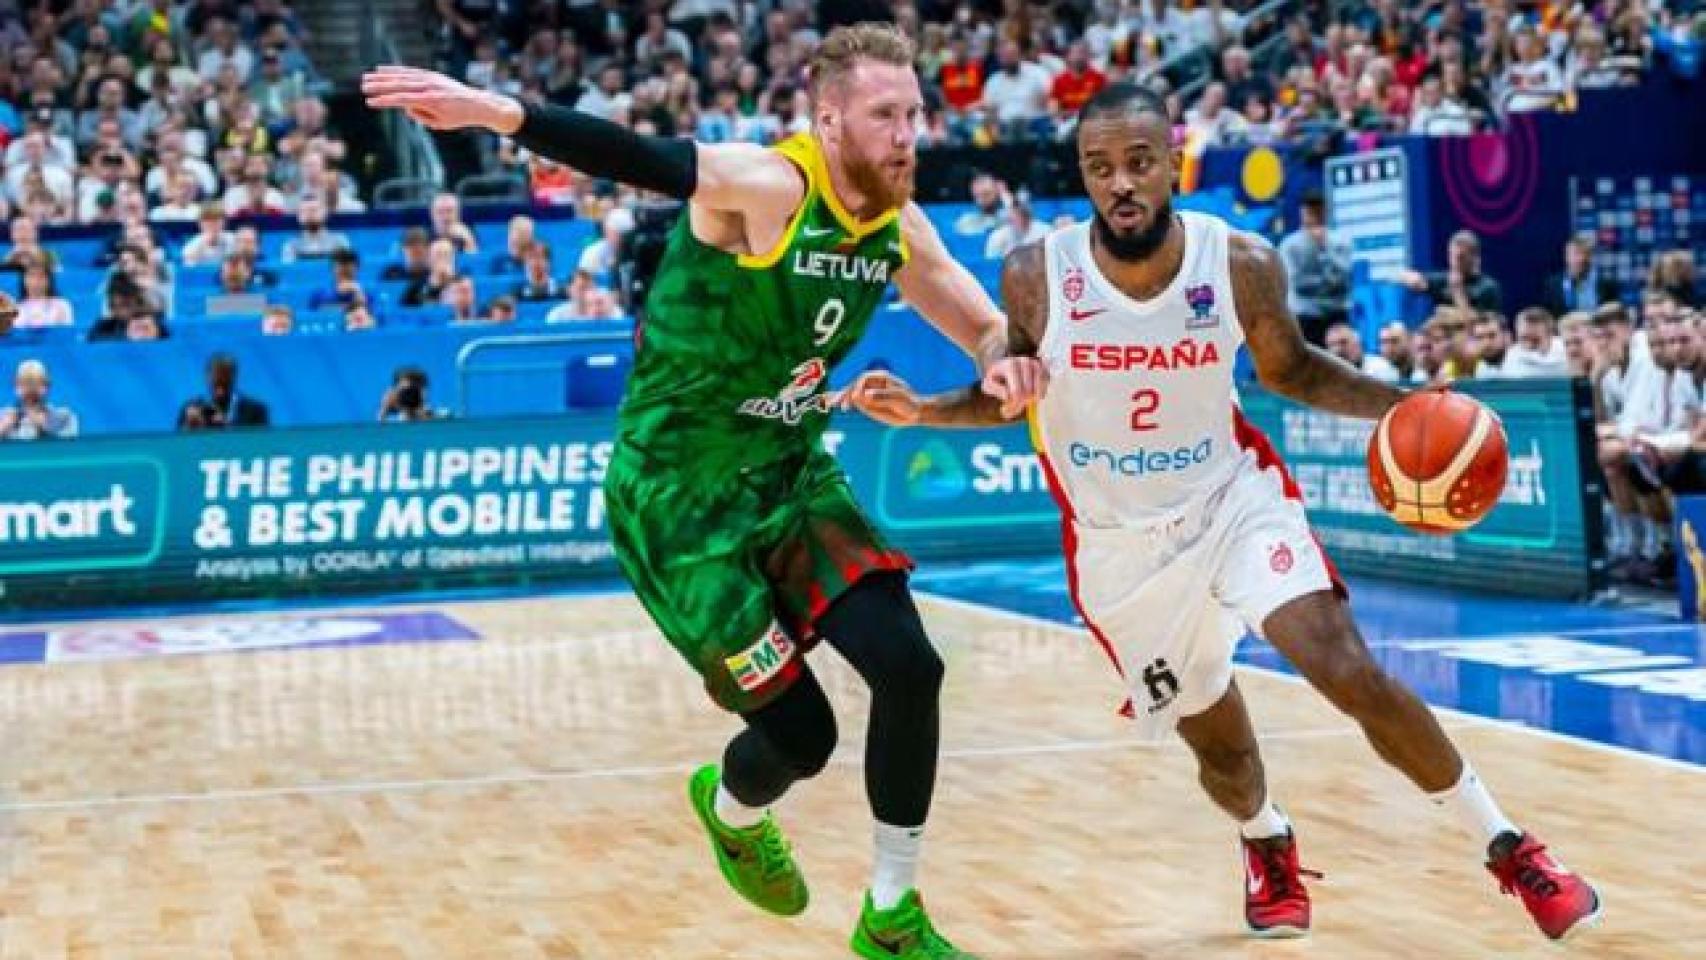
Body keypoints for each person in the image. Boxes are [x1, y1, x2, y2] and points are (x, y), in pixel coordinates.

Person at [845, 83, 1600, 945]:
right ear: (1084, 178)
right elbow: (1009, 395)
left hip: (1230, 500)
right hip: (1120, 551)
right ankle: (1266, 837)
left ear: (1173, 163)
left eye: (1137, 162)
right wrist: (925, 411)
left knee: (1346, 666)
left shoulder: (1236, 261)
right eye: (1100, 168)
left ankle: (1510, 848)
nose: (1120, 183)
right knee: (1227, 758)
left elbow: (1294, 373)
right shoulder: (1035, 274)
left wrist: (1404, 405)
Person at [366, 23, 1044, 960]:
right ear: (829, 118)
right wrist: (498, 113)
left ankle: (891, 912)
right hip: (678, 499)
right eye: (885, 115)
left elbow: (979, 320)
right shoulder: (767, 185)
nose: (907, 134)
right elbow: (637, 155)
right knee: (799, 736)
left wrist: (1005, 360)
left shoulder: (898, 226)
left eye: (915, 114)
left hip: (791, 469)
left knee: (911, 666)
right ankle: (729, 811)